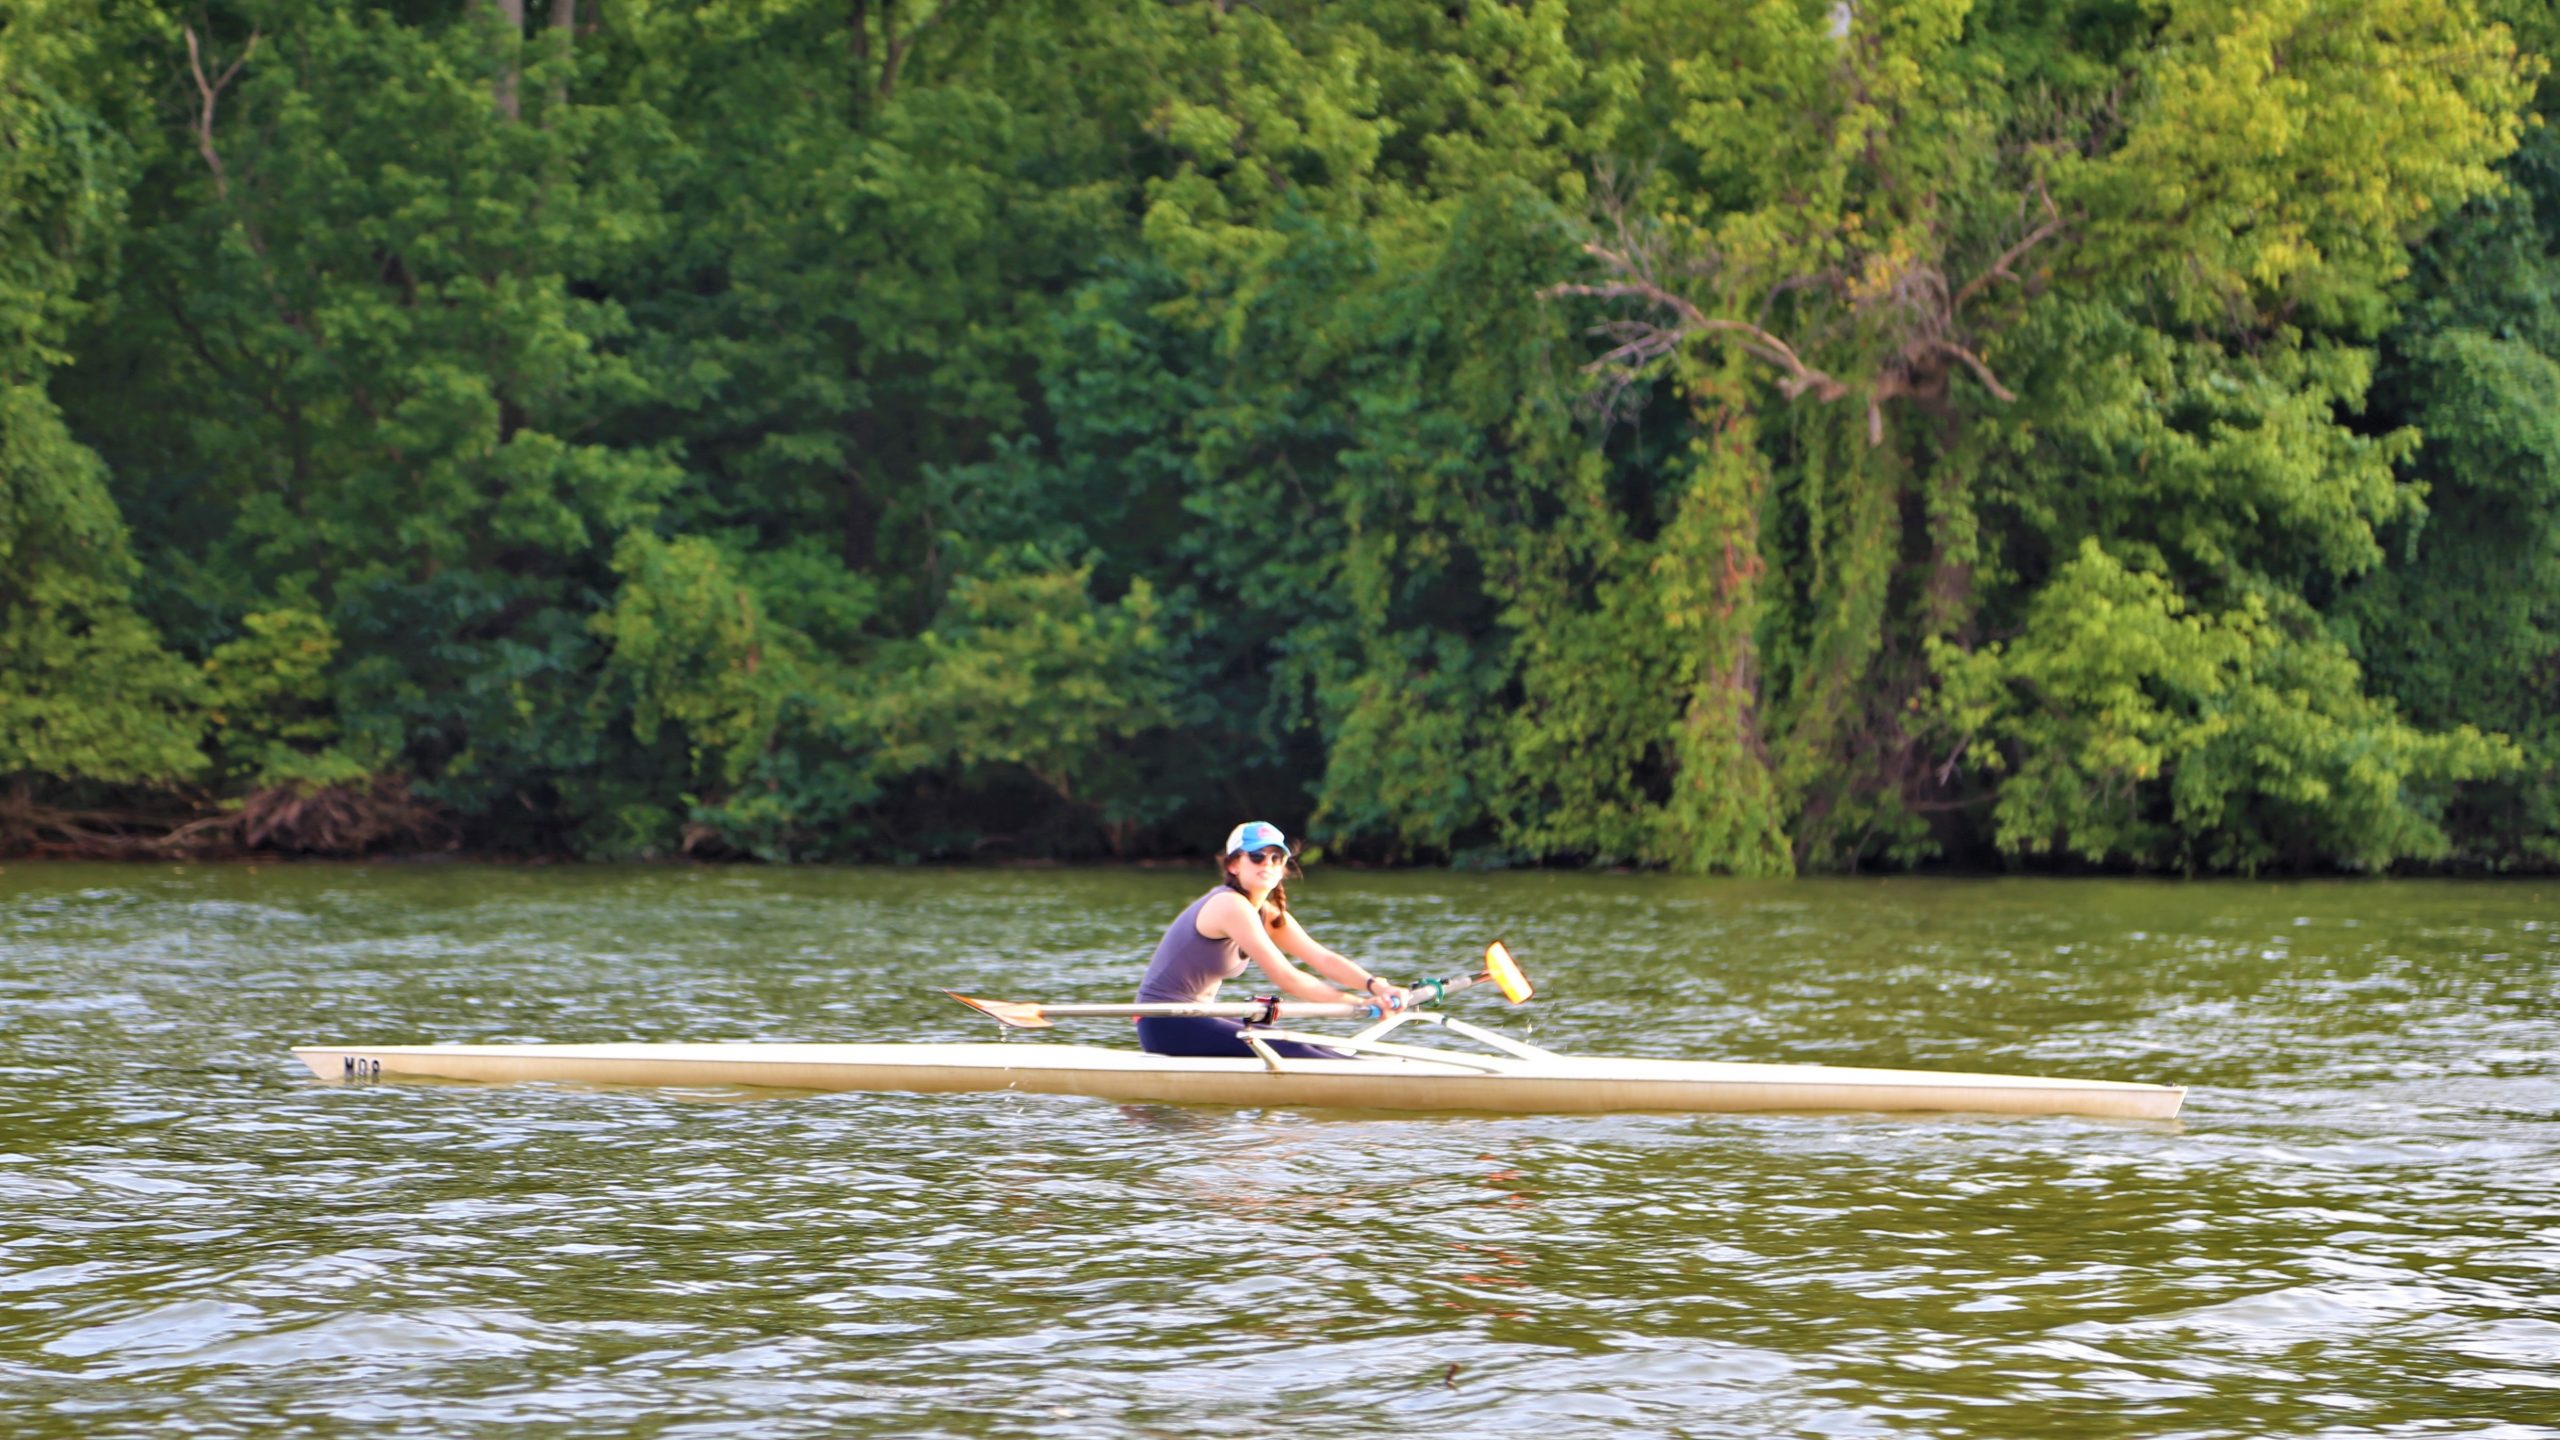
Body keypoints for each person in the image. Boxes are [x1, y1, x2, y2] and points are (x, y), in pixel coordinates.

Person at [1134, 822, 1413, 1058]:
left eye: (1275, 858)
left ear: (1282, 868)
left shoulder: (1267, 914)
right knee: (1289, 1047)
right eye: (1256, 857)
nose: (1267, 864)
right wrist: (1360, 1004)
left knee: (1313, 1046)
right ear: (1233, 865)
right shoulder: (1229, 905)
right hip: (1165, 1022)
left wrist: (1376, 987)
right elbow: (1286, 977)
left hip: (1197, 1018)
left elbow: (1322, 958)